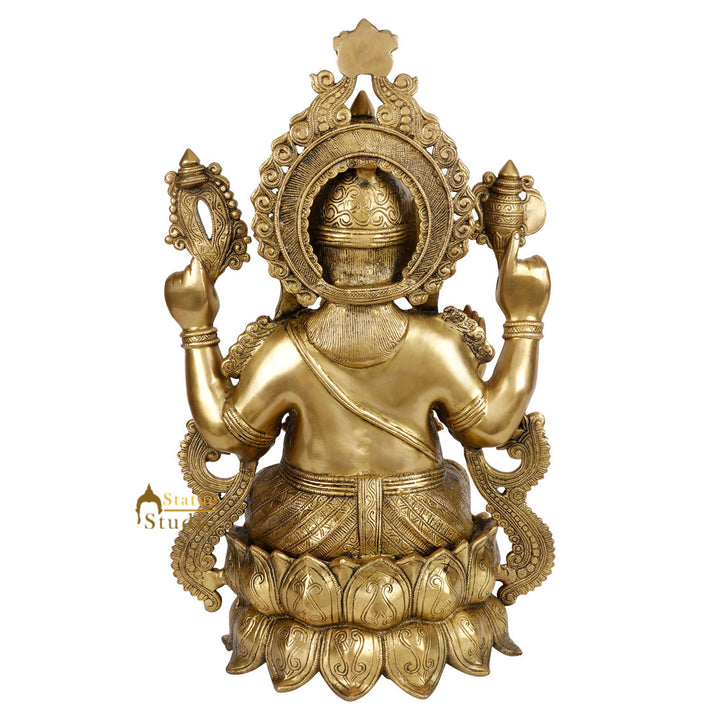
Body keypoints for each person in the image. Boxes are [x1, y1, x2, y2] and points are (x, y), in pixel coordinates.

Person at [164, 166, 550, 559]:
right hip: (422, 525)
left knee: (265, 488)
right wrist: (524, 318)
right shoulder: (437, 343)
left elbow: (229, 436)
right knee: (453, 483)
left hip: (308, 528)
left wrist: (196, 326)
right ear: (413, 249)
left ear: (309, 249)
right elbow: (491, 426)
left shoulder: (285, 348)